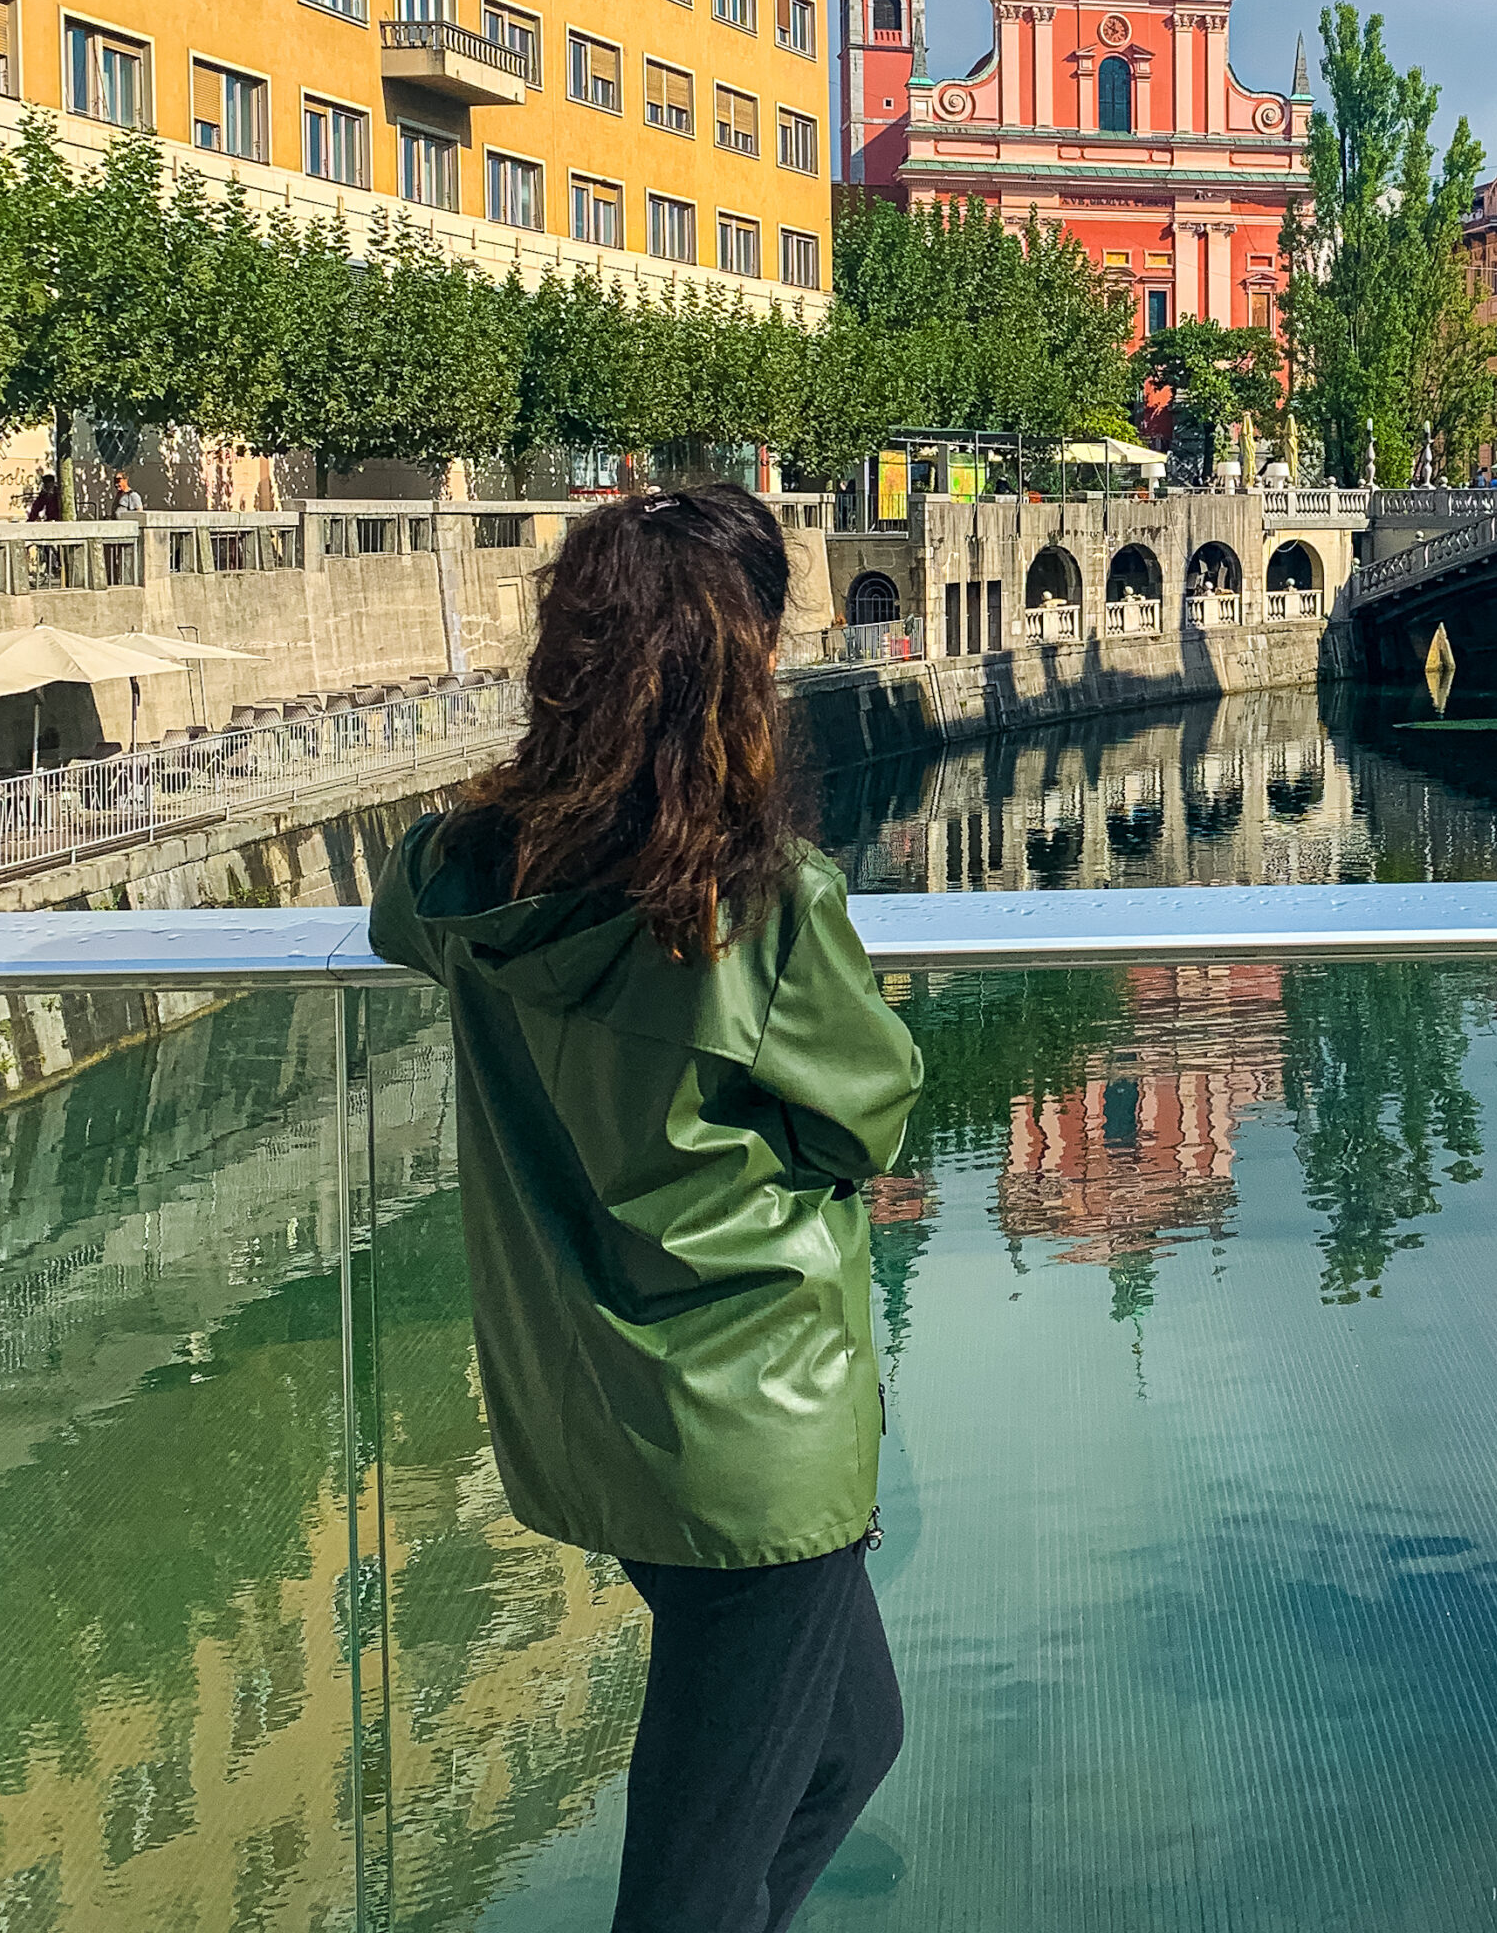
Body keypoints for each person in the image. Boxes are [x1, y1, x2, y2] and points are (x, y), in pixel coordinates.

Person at [370, 485, 922, 1933]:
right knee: (684, 1890)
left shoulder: (467, 878)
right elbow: (873, 1110)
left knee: (850, 1747)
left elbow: (394, 904)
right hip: (758, 1434)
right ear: (735, 682)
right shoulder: (757, 900)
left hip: (594, 1409)